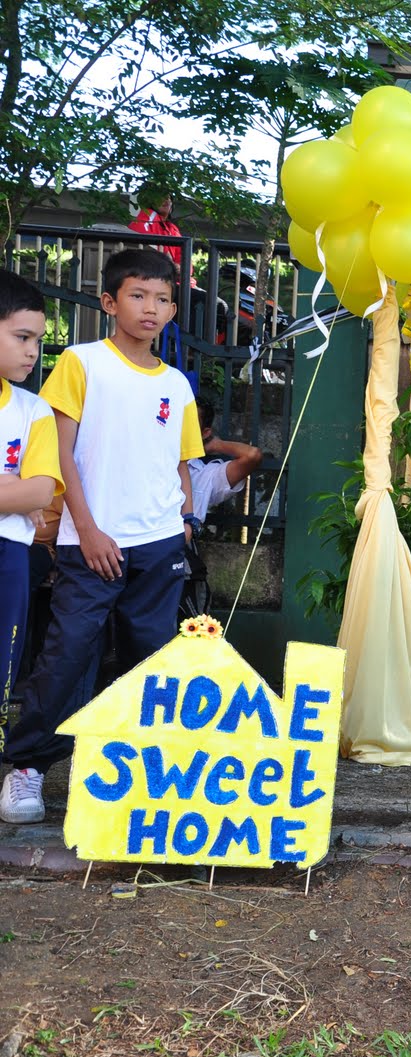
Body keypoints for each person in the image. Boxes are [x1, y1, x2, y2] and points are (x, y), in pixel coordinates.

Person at [0, 249, 203, 825]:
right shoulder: (81, 362)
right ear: (111, 302)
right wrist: (85, 528)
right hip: (88, 540)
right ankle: (28, 767)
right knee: (68, 655)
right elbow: (61, 451)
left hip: (160, 542)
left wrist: (184, 523)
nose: (152, 308)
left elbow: (182, 462)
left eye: (163, 299)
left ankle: (142, 776)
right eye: (138, 296)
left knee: (150, 663)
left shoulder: (178, 384)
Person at [0, 270, 62, 705]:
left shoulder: (32, 409)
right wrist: (10, 490)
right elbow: (23, 493)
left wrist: (24, 490)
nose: (33, 352)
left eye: (38, 340)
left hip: (10, 556)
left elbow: (40, 492)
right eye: (22, 337)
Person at [188, 398, 262, 523]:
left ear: (204, 432)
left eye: (189, 423)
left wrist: (215, 444)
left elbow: (252, 455)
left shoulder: (206, 476)